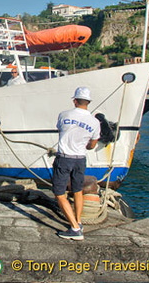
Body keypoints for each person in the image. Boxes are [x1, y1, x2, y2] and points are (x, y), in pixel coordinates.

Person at [53, 86, 100, 241]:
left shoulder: (64, 115)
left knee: (59, 193)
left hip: (64, 158)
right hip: (80, 159)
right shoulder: (94, 122)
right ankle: (78, 222)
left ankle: (74, 229)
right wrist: (85, 144)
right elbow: (92, 144)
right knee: (77, 190)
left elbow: (60, 130)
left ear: (75, 101)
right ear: (88, 102)